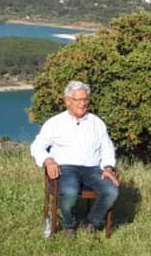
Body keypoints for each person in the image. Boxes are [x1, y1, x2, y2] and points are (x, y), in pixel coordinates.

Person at [30, 80, 119, 237]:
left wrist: (108, 167)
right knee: (70, 191)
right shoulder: (55, 123)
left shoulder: (96, 123)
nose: (83, 104)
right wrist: (48, 160)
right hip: (66, 168)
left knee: (111, 191)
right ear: (68, 101)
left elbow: (107, 147)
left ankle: (91, 223)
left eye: (85, 99)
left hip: (92, 169)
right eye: (78, 100)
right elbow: (37, 146)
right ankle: (69, 225)